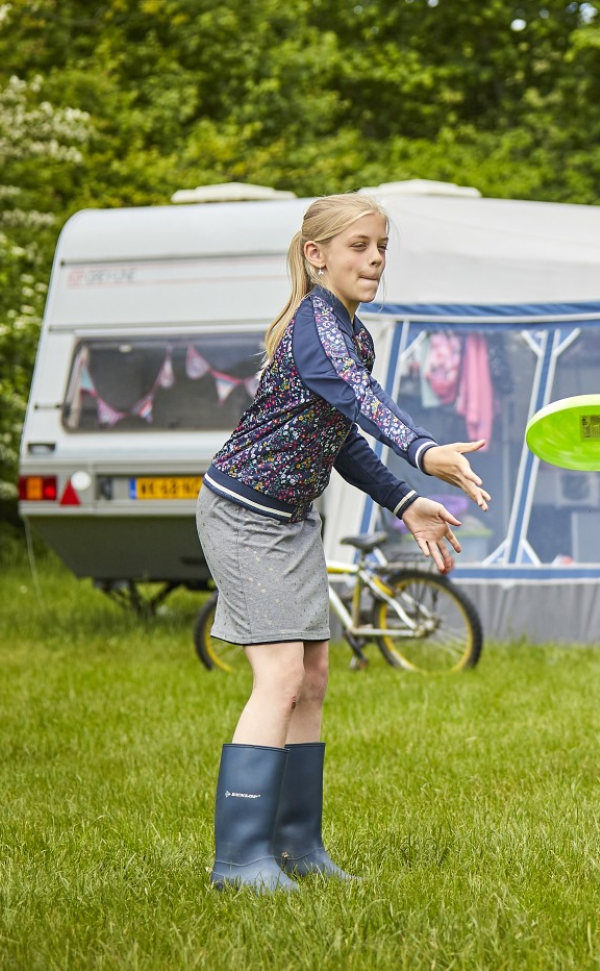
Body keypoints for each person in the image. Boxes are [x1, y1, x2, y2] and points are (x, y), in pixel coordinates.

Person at [196, 194, 493, 892]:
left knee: (315, 679)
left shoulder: (349, 333)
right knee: (281, 678)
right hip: (243, 516)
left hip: (292, 520)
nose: (375, 259)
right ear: (316, 254)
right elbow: (360, 401)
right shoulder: (315, 326)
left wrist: (405, 498)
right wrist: (424, 452)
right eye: (359, 246)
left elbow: (342, 438)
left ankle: (299, 847)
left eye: (382, 246)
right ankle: (239, 862)